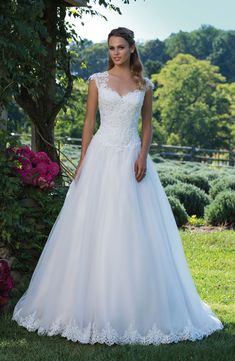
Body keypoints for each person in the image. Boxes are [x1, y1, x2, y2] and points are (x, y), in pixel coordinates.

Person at [12, 27, 224, 346]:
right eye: (111, 48)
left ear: (132, 48)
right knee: (92, 228)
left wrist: (142, 155)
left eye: (121, 47)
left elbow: (147, 125)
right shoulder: (97, 81)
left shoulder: (144, 85)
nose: (115, 53)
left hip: (131, 161)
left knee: (135, 231)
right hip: (101, 159)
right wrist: (83, 161)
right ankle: (86, 303)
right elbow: (88, 124)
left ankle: (136, 304)